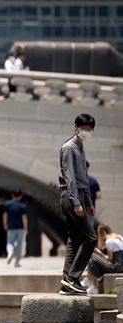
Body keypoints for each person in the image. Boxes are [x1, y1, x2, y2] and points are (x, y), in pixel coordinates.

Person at [58, 113, 98, 295]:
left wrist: (88, 201)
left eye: (89, 130)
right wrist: (76, 202)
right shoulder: (69, 148)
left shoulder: (81, 148)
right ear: (75, 127)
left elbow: (84, 179)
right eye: (83, 129)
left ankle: (67, 283)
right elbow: (70, 177)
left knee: (74, 241)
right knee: (91, 238)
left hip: (81, 196)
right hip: (71, 196)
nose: (86, 133)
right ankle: (72, 278)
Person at [85, 225, 123, 294]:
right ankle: (92, 286)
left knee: (92, 255)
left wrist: (99, 252)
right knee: (92, 261)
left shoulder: (109, 241)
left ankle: (90, 282)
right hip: (121, 267)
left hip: (115, 267)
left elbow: (109, 258)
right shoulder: (120, 238)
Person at [3, 190, 28, 267]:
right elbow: (24, 217)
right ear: (20, 196)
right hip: (20, 228)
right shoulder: (22, 206)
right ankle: (17, 261)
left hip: (11, 227)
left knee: (10, 242)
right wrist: (26, 228)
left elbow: (5, 214)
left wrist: (5, 223)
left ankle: (10, 252)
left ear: (12, 195)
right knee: (20, 244)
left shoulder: (7, 204)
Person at [86, 161, 102, 227]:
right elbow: (99, 196)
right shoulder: (93, 180)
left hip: (78, 209)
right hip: (90, 209)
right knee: (89, 228)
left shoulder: (75, 180)